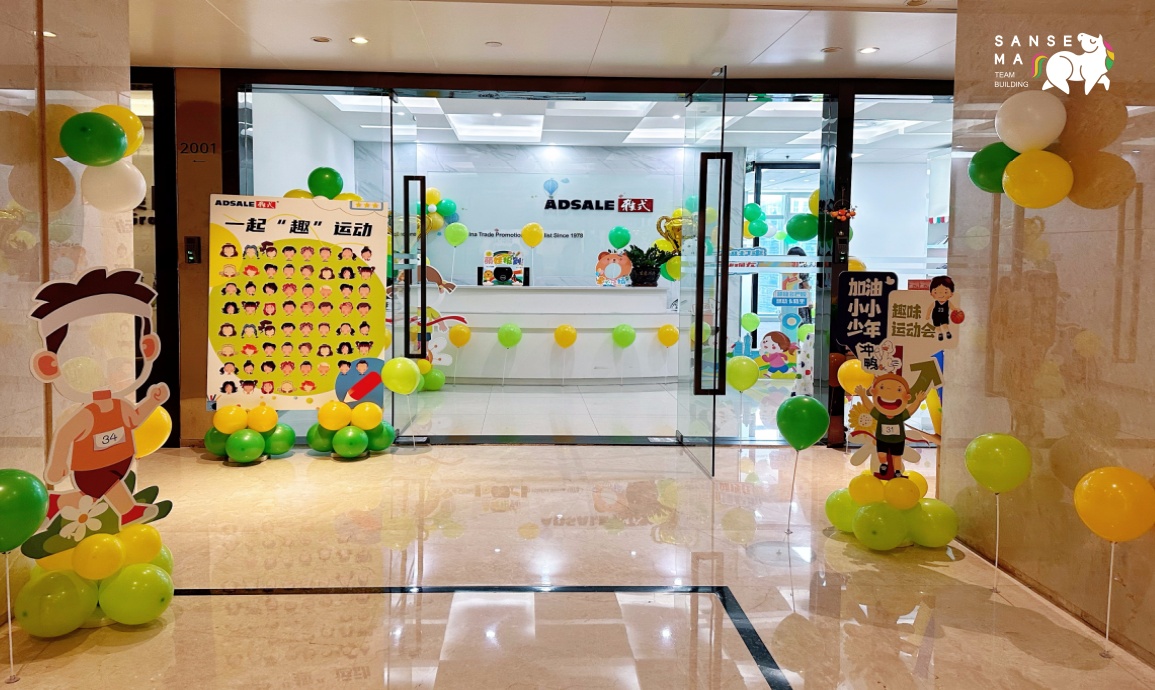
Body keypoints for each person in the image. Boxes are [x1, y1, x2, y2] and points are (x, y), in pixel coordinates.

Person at [29, 269, 167, 527]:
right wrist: (57, 465)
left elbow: (135, 419)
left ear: (149, 348)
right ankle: (128, 511)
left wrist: (152, 401)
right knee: (108, 486)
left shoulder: (120, 405)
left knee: (89, 498)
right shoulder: (87, 414)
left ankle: (56, 503)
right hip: (91, 469)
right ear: (49, 366)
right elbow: (65, 435)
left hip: (119, 460)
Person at [855, 374, 926, 479]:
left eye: (898, 390)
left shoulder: (900, 415)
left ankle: (897, 471)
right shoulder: (880, 414)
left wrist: (918, 401)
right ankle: (884, 464)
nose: (889, 392)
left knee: (897, 456)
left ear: (907, 397)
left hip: (898, 440)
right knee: (881, 454)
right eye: (882, 387)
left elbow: (910, 411)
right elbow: (870, 407)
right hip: (882, 438)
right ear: (873, 391)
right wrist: (863, 395)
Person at [929, 275, 958, 341]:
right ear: (931, 293)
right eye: (936, 292)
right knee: (937, 326)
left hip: (944, 316)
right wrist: (927, 315)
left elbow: (952, 308)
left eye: (945, 292)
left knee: (944, 324)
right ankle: (940, 334)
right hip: (935, 317)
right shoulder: (935, 303)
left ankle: (947, 332)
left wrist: (956, 310)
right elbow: (930, 309)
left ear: (951, 294)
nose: (941, 294)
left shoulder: (948, 302)